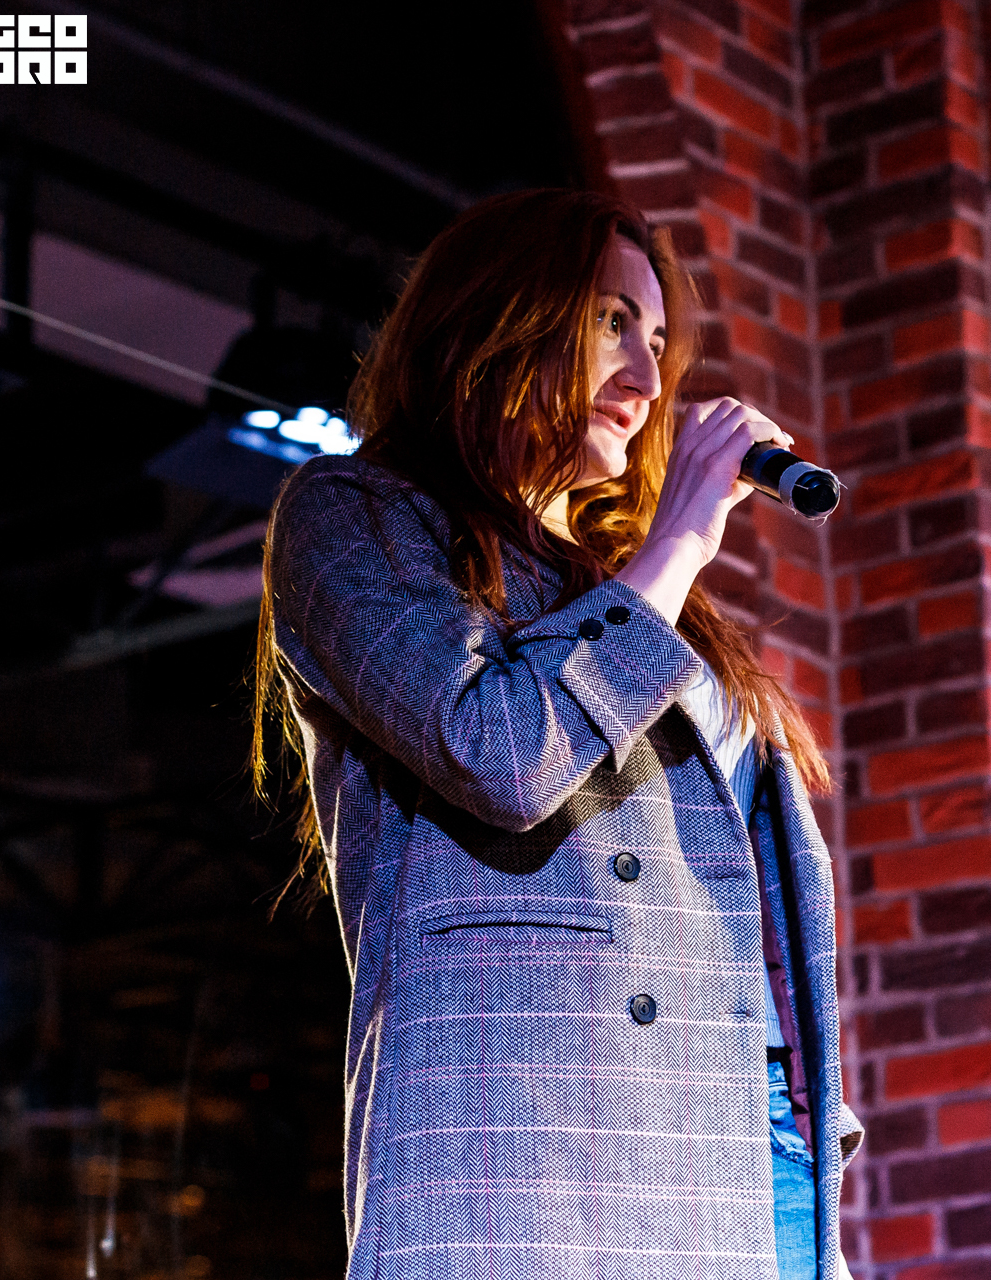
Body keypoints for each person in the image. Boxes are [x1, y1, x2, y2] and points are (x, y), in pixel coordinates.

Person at [252, 188, 862, 1279]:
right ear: (497, 321)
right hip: (546, 1133)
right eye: (611, 323)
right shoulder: (357, 514)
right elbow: (498, 747)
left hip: (752, 1135)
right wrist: (678, 541)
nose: (646, 380)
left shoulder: (620, 587)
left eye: (659, 343)